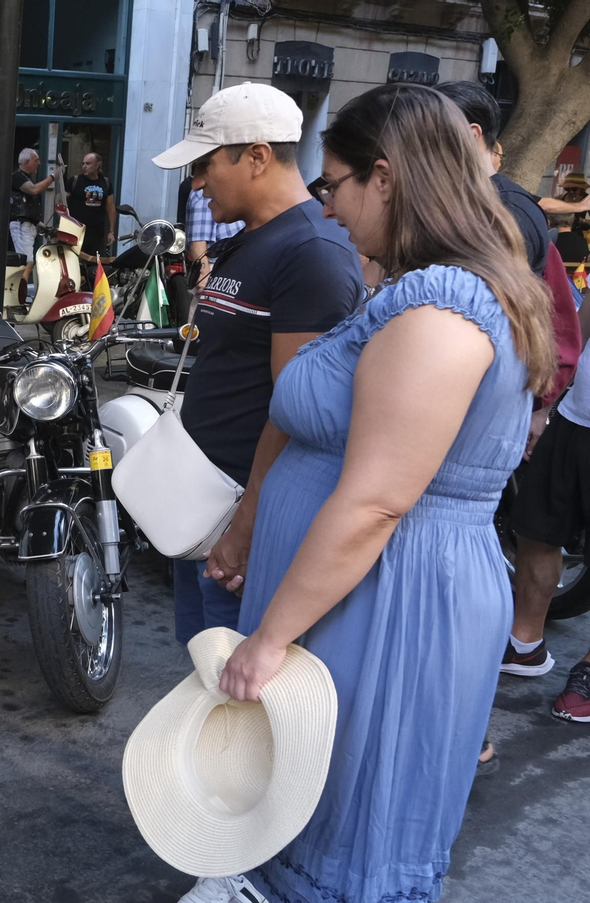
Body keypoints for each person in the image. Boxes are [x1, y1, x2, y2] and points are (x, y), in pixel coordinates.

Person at [201, 82, 557, 903]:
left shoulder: (442, 309)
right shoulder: (426, 289)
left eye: (334, 186)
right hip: (370, 590)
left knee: (351, 822)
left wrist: (269, 639)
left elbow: (375, 502)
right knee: (319, 810)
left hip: (390, 598)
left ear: (386, 178)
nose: (326, 209)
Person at [150, 83, 362, 647]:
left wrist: (246, 526)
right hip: (205, 505)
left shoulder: (310, 252)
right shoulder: (253, 238)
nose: (196, 184)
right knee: (203, 677)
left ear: (258, 155)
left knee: (233, 694)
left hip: (243, 518)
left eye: (205, 165)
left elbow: (294, 409)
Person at [184, 156, 244, 291]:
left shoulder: (225, 188)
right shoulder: (204, 190)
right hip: (214, 271)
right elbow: (198, 239)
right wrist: (203, 275)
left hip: (229, 270)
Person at [11, 147, 57, 292]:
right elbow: (34, 190)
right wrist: (53, 177)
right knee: (26, 262)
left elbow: (28, 209)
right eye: (36, 161)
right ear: (26, 161)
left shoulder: (26, 178)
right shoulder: (18, 177)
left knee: (27, 262)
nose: (39, 164)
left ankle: (19, 293)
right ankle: (18, 295)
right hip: (21, 225)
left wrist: (40, 225)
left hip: (28, 225)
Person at [66, 152, 116, 264]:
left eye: (88, 163)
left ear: (98, 165)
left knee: (95, 262)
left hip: (97, 232)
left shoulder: (106, 183)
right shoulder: (75, 181)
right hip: (77, 231)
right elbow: (61, 202)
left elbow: (111, 207)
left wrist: (111, 231)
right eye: (83, 163)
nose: (84, 166)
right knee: (75, 261)